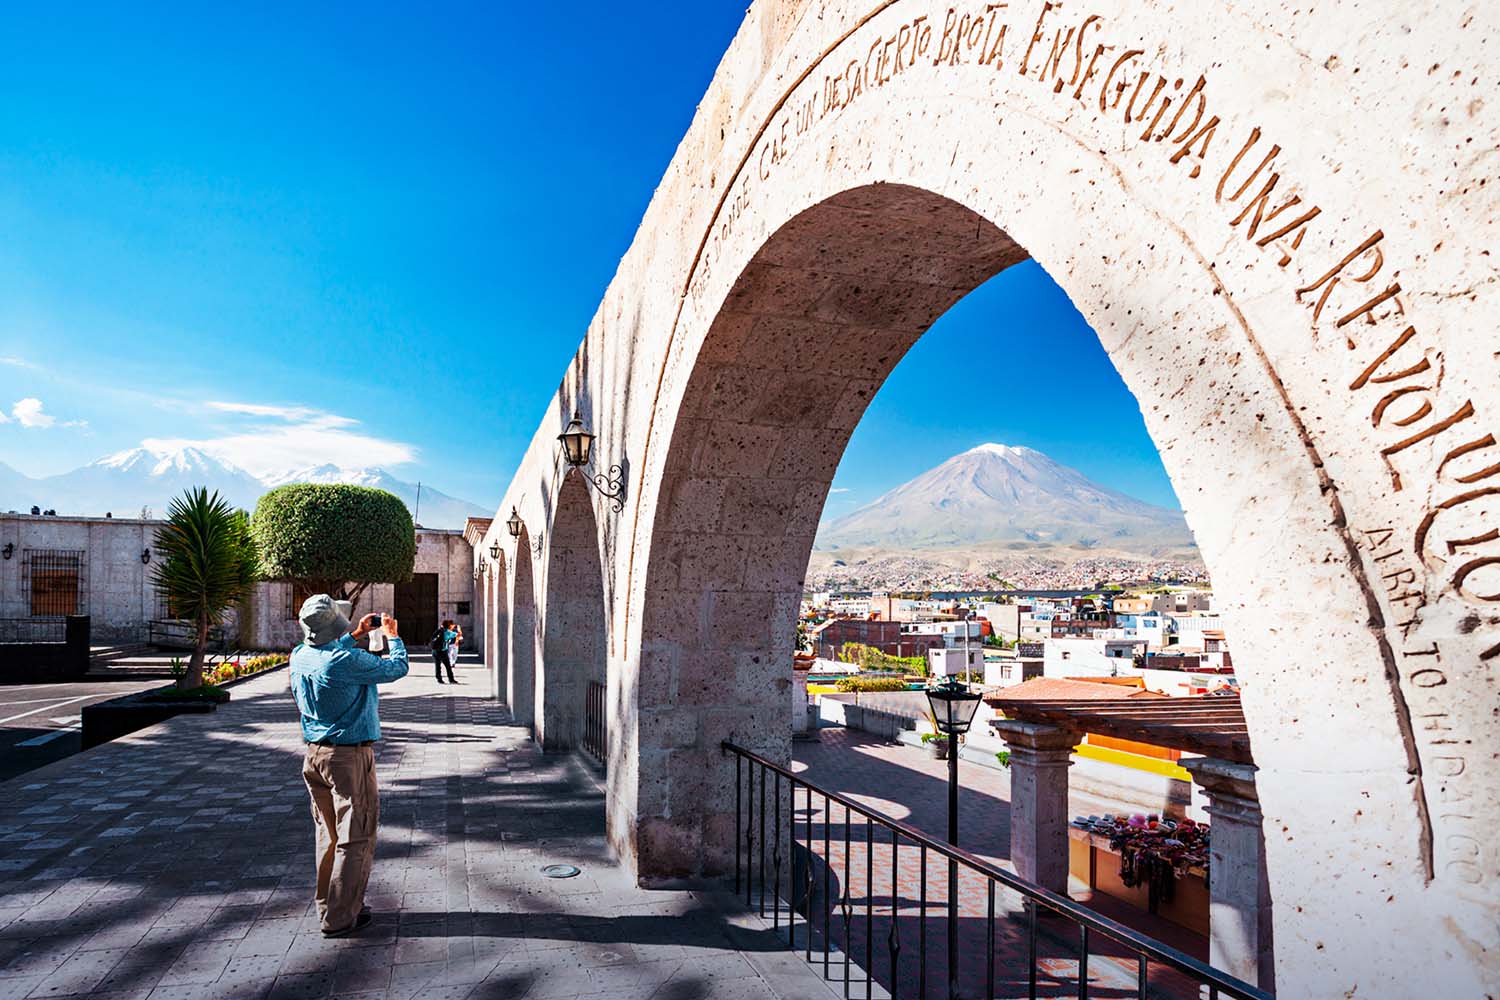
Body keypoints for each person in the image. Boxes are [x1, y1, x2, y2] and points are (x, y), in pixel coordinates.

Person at [290, 594, 408, 937]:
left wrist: (354, 634)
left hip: (315, 756)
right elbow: (396, 668)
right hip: (347, 758)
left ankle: (329, 905)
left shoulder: (300, 655)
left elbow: (329, 651)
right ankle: (341, 917)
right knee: (356, 835)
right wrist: (394, 636)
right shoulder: (344, 661)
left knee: (327, 835)